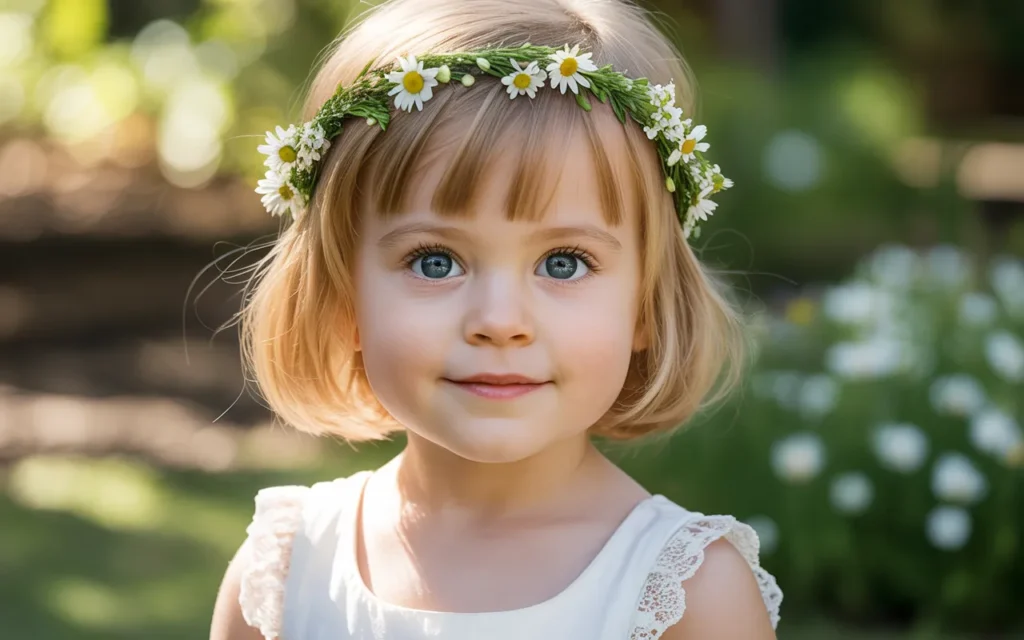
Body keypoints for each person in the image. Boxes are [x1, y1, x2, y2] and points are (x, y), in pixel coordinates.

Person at [209, 0, 782, 637]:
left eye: (563, 263)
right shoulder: (284, 573)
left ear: (646, 302)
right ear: (343, 299)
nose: (500, 321)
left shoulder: (687, 595)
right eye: (434, 262)